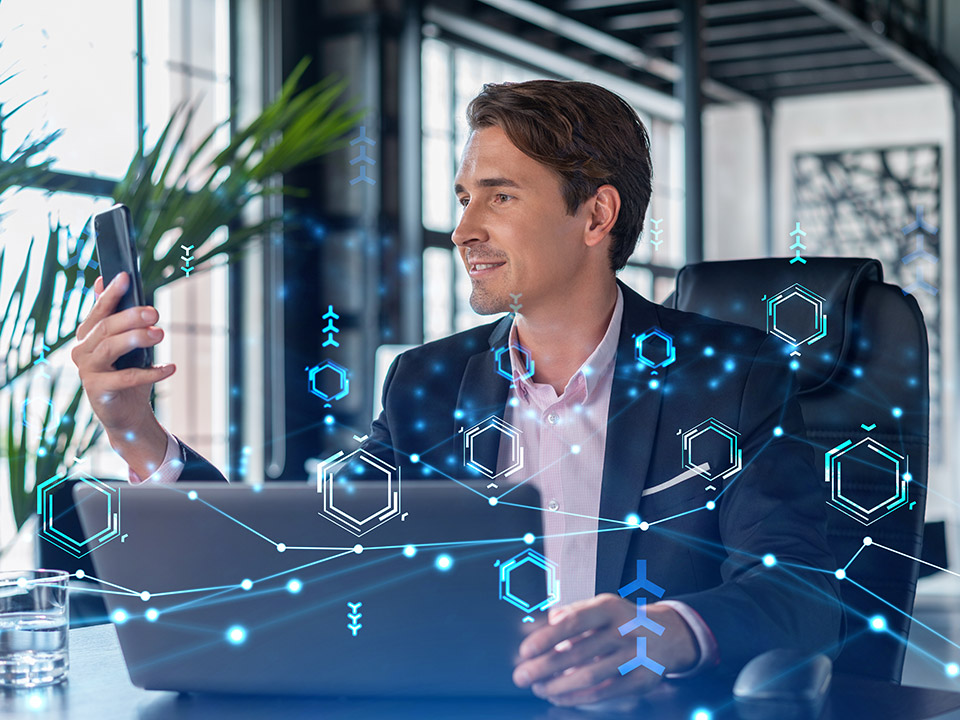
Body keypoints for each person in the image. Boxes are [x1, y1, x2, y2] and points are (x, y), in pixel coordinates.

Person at [73, 79, 842, 708]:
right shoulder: (427, 384)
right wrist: (136, 430)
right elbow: (298, 563)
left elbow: (803, 589)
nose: (463, 228)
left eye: (500, 197)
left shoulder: (732, 376)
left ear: (596, 215)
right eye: (463, 195)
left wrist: (662, 629)